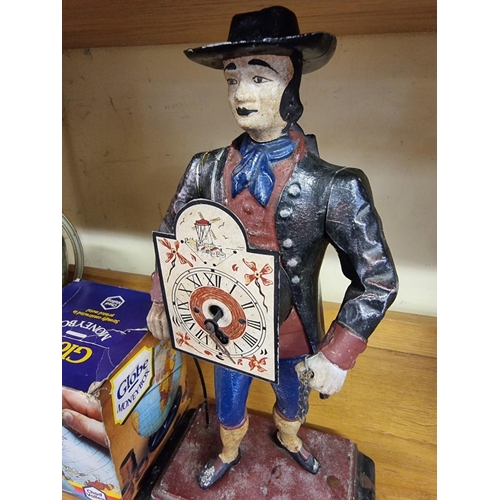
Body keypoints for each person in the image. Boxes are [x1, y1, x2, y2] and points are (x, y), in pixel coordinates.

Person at [147, 6, 398, 489]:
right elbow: (170, 238)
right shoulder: (204, 169)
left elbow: (378, 279)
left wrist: (338, 352)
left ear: (292, 82)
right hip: (220, 322)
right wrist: (161, 299)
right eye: (232, 78)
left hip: (291, 331)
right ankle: (228, 449)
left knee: (291, 395)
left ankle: (289, 437)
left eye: (259, 77)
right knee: (229, 397)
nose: (241, 94)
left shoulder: (334, 186)